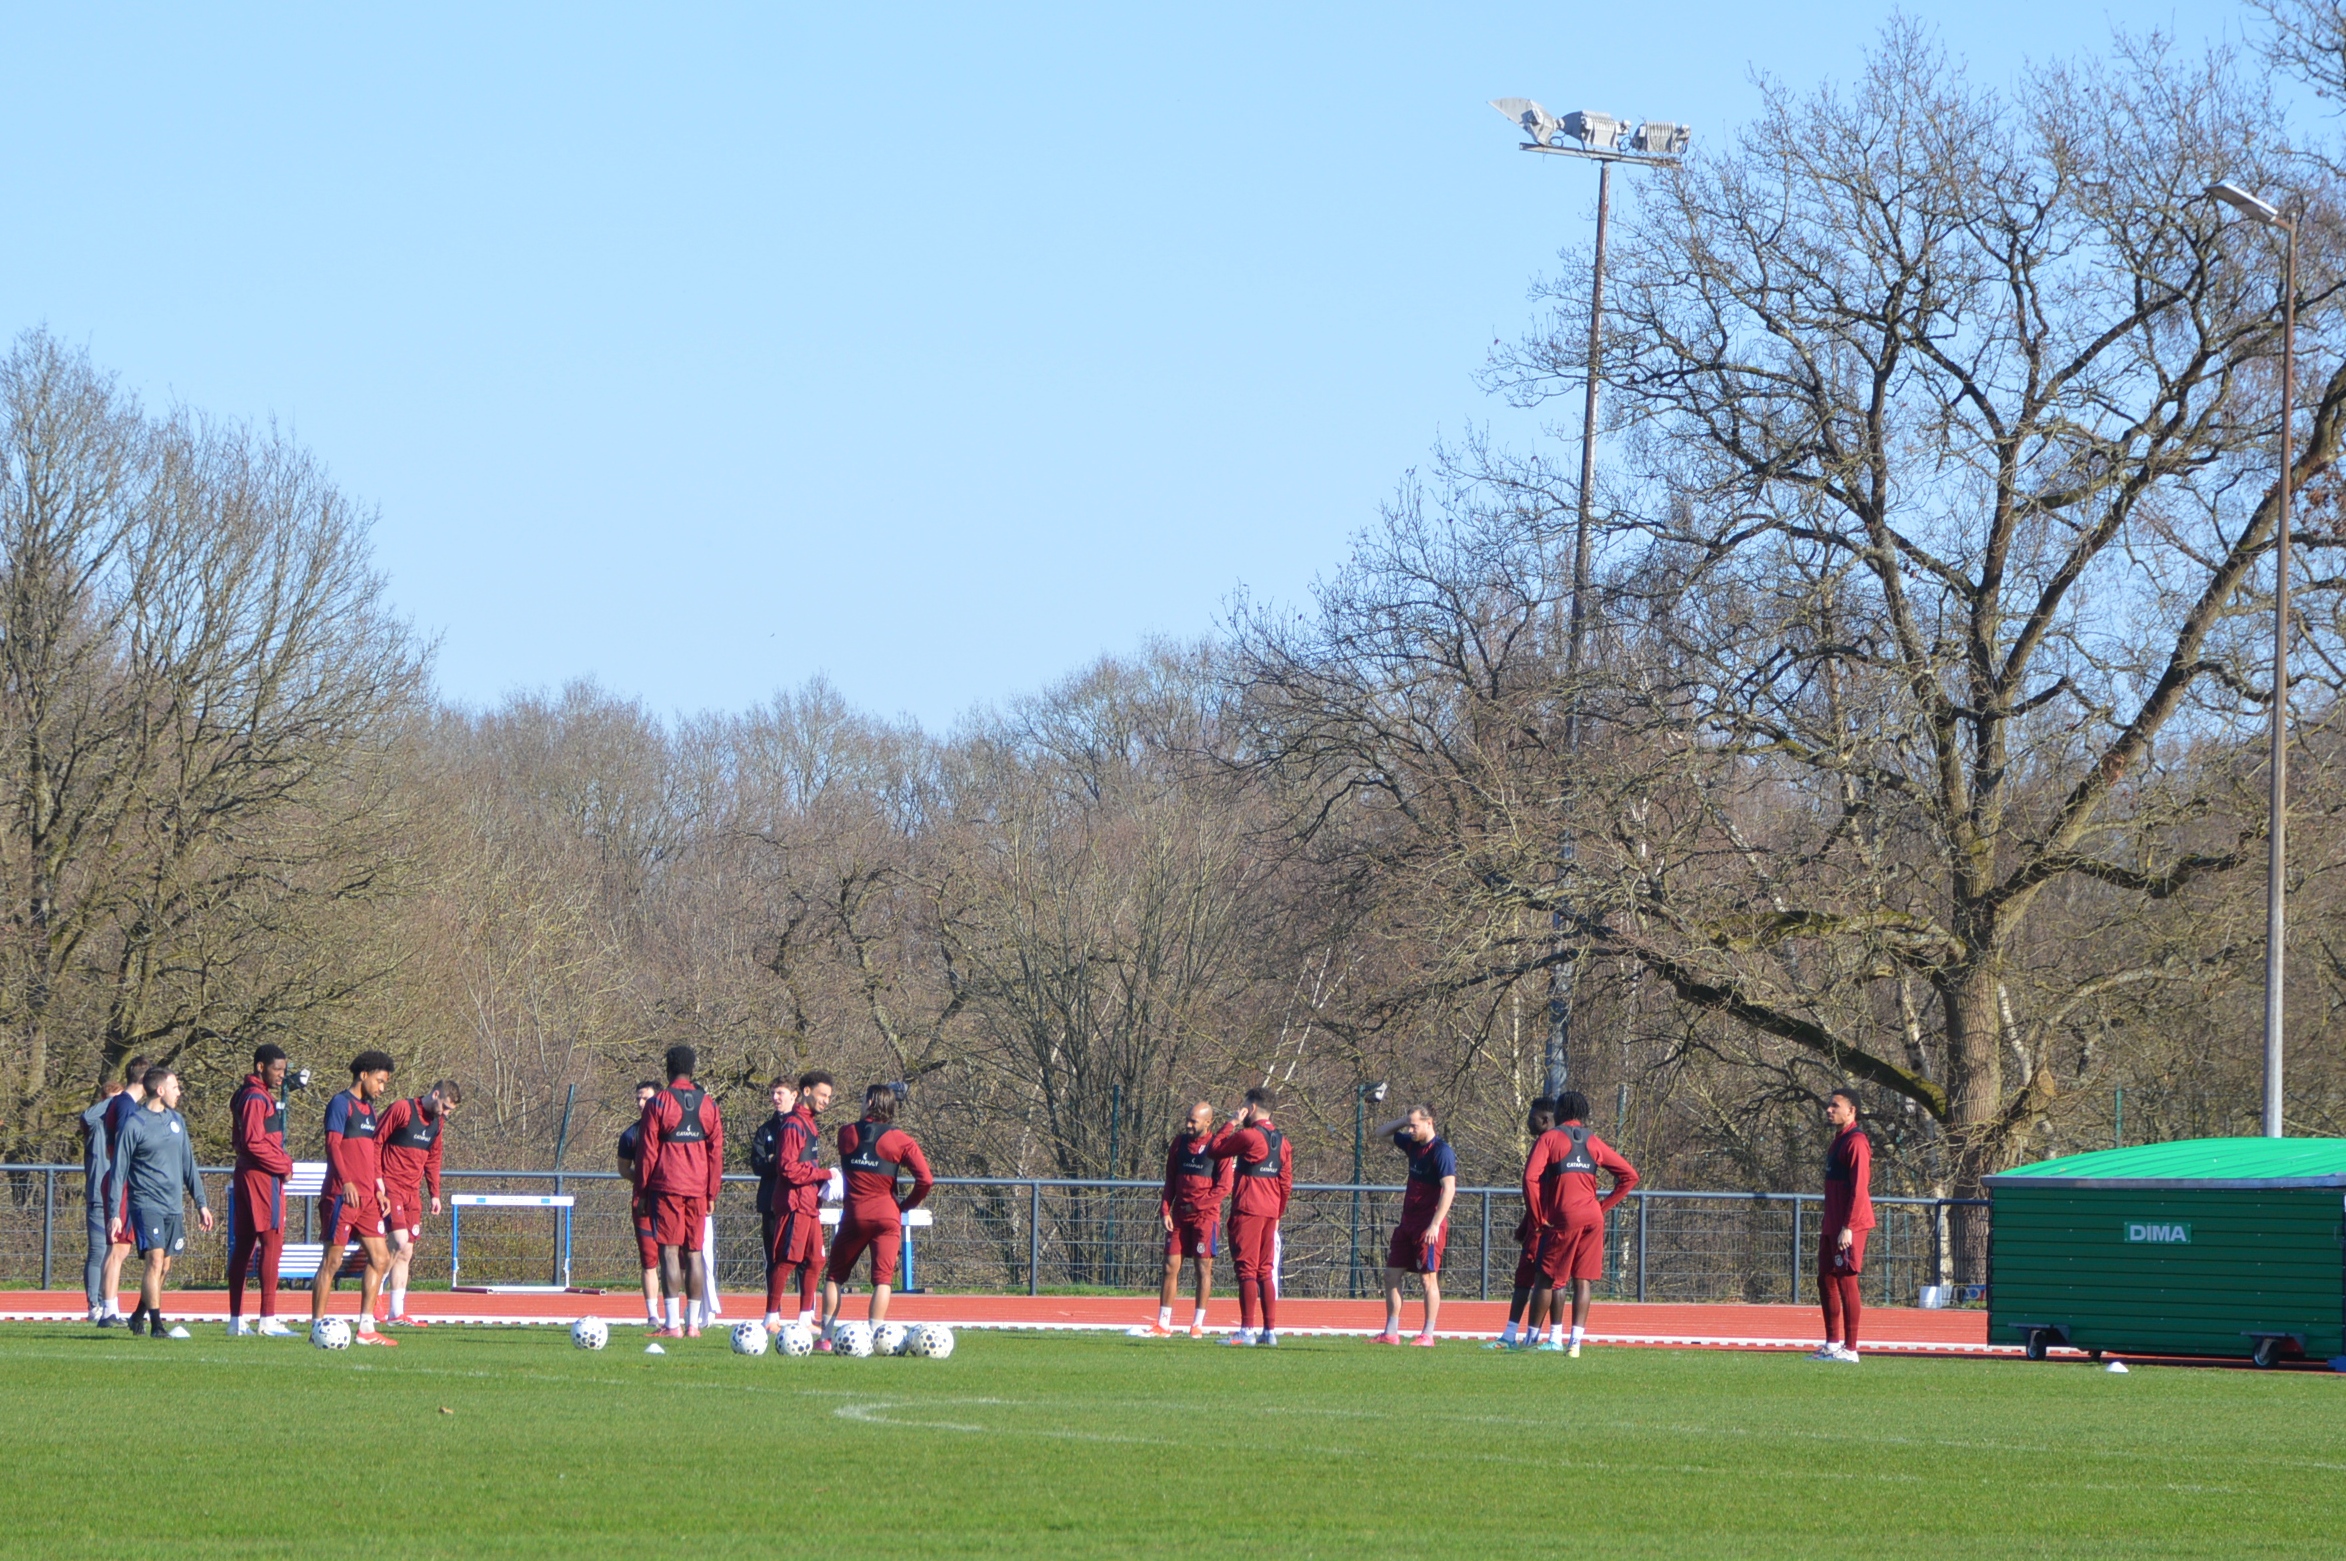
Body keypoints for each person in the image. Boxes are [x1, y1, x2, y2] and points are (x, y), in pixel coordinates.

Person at [1522, 1090, 1637, 1357]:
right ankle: (1575, 1344)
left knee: (1546, 1277)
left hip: (1565, 1217)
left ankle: (1529, 1341)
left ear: (1560, 1112)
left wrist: (1537, 1217)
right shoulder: (1593, 1141)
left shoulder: (1550, 1138)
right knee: (1582, 1280)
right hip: (1593, 1219)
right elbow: (1630, 1176)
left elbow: (1529, 1178)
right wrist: (1601, 1207)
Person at [103, 1066, 214, 1338]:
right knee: (154, 1260)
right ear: (161, 1090)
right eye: (175, 1087)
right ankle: (157, 1325)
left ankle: (137, 1315)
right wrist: (115, 1212)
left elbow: (189, 1165)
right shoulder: (134, 1123)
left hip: (172, 1205)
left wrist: (201, 1203)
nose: (179, 1092)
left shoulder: (177, 1121)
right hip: (145, 1203)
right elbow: (118, 1169)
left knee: (165, 1265)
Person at [820, 1084, 933, 1345]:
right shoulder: (901, 1140)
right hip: (887, 1215)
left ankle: (825, 1336)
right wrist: (905, 1205)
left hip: (854, 1214)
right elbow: (926, 1179)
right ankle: (873, 1336)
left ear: (870, 1102)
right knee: (883, 1280)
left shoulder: (845, 1133)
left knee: (835, 1276)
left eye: (863, 1100)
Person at [310, 1050, 399, 1347]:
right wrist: (346, 1181)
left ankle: (366, 1328)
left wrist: (378, 1189)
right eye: (380, 1081)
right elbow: (333, 1145)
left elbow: (370, 1154)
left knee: (381, 1258)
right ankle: (316, 1329)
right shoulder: (340, 1103)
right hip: (342, 1195)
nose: (382, 1088)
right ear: (364, 1075)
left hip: (368, 1199)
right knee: (332, 1261)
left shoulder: (370, 1111)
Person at [636, 1045, 725, 1338]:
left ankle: (672, 1324)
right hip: (698, 1187)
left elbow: (647, 1153)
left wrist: (642, 1193)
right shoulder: (709, 1104)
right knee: (695, 1252)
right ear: (692, 1068)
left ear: (668, 1069)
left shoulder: (658, 1103)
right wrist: (712, 1193)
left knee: (669, 1252)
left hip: (667, 1186)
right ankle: (693, 1325)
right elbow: (716, 1152)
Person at [1207, 1086, 1292, 1348]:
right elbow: (1286, 1182)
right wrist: (1278, 1212)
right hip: (1270, 1211)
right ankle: (1270, 1331)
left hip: (1248, 1209)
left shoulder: (1249, 1136)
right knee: (1265, 1270)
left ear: (1251, 1108)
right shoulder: (1283, 1142)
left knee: (1246, 1269)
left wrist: (1231, 1122)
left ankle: (1246, 1330)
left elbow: (1215, 1149)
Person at [376, 1079, 462, 1327]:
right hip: (391, 1185)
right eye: (445, 1107)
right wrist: (377, 1179)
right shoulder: (402, 1109)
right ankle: (374, 1294)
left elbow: (433, 1158)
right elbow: (376, 1141)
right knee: (399, 1240)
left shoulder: (437, 1123)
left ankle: (396, 1313)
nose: (445, 1114)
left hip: (412, 1192)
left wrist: (434, 1193)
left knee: (407, 1252)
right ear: (435, 1094)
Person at [751, 1072, 832, 1334]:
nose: (826, 1100)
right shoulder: (793, 1125)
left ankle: (806, 1318)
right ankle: (770, 1317)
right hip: (794, 1203)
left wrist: (824, 1184)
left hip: (810, 1204)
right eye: (822, 1095)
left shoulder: (809, 1124)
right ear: (806, 1092)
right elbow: (787, 1169)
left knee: (816, 1260)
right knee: (787, 1259)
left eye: (829, 1097)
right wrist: (825, 1175)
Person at [227, 1045, 298, 1337]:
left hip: (246, 1173)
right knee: (271, 1243)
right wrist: (283, 1164)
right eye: (276, 1069)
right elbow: (253, 1142)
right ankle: (267, 1319)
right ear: (260, 1067)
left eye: (283, 1070)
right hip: (261, 1176)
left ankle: (236, 1320)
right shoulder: (257, 1097)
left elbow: (242, 1141)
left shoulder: (244, 1094)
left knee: (244, 1246)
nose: (281, 1075)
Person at [1373, 1104, 1456, 1347]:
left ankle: (1427, 1335)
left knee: (1427, 1279)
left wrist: (1435, 1224)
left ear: (1429, 1123)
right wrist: (1405, 1119)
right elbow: (1380, 1133)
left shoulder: (1441, 1151)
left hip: (1428, 1226)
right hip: (1407, 1224)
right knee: (1391, 1275)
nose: (1410, 1130)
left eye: (1414, 1125)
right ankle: (1391, 1333)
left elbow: (1449, 1189)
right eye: (1408, 1125)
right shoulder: (1412, 1144)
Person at [1153, 1101, 1233, 1337]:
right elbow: (1170, 1178)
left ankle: (1197, 1324)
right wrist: (1165, 1209)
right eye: (1187, 1119)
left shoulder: (1219, 1148)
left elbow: (1224, 1187)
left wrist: (1196, 1206)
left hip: (1205, 1217)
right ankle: (1163, 1324)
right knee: (1169, 1266)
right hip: (1179, 1215)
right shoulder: (1179, 1144)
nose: (1188, 1125)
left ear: (1208, 1122)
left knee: (1203, 1268)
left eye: (1193, 1121)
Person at [1812, 1087, 1874, 1364]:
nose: (1829, 1109)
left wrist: (1848, 1226)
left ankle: (1850, 1349)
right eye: (1829, 1105)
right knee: (1825, 1278)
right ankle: (1831, 1344)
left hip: (1849, 1225)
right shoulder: (1838, 1140)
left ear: (1851, 1111)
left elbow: (1859, 1187)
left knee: (1846, 1280)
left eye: (1835, 1106)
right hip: (1832, 1223)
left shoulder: (1856, 1142)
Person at [1488, 1098, 1556, 1349]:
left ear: (1545, 1120)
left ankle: (1534, 1337)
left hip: (1545, 1224)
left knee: (1541, 1279)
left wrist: (1537, 1219)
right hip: (1540, 1222)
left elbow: (1532, 1181)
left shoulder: (1548, 1143)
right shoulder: (1555, 1143)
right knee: (1538, 1278)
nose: (1527, 1122)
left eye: (1531, 1118)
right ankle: (1523, 1335)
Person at [93, 1056, 152, 1327]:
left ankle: (110, 1309)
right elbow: (126, 1147)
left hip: (119, 1178)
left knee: (117, 1248)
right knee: (118, 1248)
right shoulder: (127, 1106)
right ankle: (109, 1311)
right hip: (123, 1180)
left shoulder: (119, 1104)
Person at [615, 1081, 664, 1329]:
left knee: (679, 1258)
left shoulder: (670, 1130)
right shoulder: (630, 1135)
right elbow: (624, 1169)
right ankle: (652, 1315)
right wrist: (645, 1183)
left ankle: (682, 1312)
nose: (641, 1103)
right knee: (649, 1260)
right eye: (638, 1099)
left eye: (646, 1098)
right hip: (643, 1203)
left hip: (670, 1202)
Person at [78, 1076, 123, 1323]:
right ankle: (94, 1304)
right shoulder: (96, 1126)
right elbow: (86, 1117)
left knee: (115, 1252)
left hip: (117, 1196)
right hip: (98, 1196)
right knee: (98, 1250)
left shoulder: (122, 1128)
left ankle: (110, 1303)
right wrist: (113, 1102)